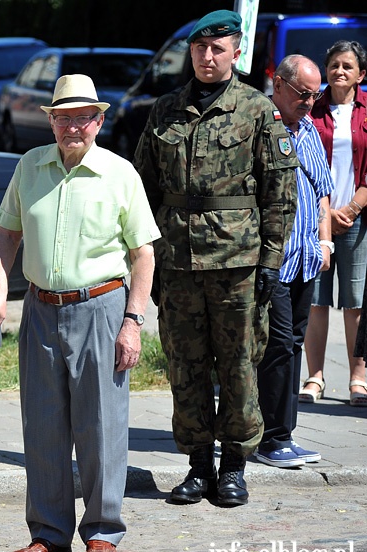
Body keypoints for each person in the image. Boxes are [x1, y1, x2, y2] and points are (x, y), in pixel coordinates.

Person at [0, 74, 159, 552]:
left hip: (100, 307)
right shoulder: (30, 166)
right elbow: (5, 236)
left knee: (101, 424)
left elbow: (144, 255)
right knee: (42, 424)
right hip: (39, 308)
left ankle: (102, 531)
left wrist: (132, 322)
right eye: (62, 117)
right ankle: (49, 533)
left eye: (82, 117)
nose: (71, 126)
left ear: (99, 121)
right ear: (51, 121)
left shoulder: (119, 173)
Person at [134, 9, 299, 507]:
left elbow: (280, 191)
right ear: (191, 52)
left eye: (218, 49)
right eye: (200, 49)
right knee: (184, 366)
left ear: (235, 52)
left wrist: (271, 260)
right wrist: (146, 258)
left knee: (239, 366)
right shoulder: (165, 109)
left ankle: (234, 466)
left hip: (239, 263)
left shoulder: (257, 111)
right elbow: (141, 187)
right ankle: (198, 466)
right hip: (178, 263)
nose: (208, 57)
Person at [256, 55, 333, 469]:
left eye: (315, 94)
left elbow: (323, 192)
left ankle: (284, 433)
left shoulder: (307, 130)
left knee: (294, 345)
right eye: (304, 93)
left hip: (307, 259)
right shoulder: (262, 126)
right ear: (279, 84)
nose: (310, 101)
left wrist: (325, 243)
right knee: (279, 346)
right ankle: (272, 437)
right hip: (275, 261)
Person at [302, 40, 367, 407]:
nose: (339, 71)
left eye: (348, 66)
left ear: (361, 74)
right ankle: (315, 377)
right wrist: (326, 214)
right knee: (315, 300)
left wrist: (353, 209)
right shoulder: (313, 107)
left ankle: (358, 379)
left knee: (355, 302)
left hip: (357, 218)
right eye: (334, 65)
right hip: (317, 219)